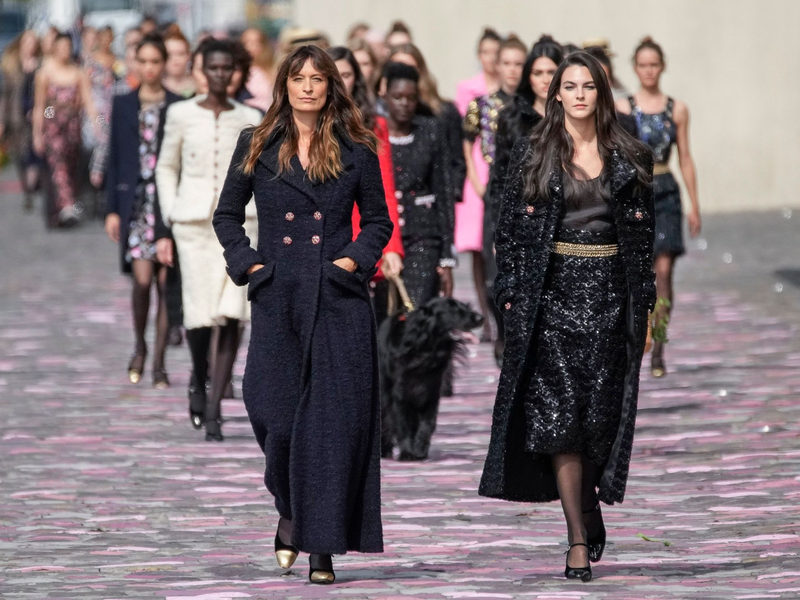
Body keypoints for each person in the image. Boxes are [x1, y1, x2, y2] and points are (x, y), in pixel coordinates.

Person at [213, 44, 391, 584]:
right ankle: (291, 508)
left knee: (329, 431)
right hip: (278, 297)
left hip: (337, 301)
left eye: (318, 78)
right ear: (284, 85)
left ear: (331, 85)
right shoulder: (257, 141)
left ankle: (321, 548)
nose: (308, 86)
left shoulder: (356, 146)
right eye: (298, 77)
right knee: (271, 413)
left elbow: (378, 222)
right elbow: (226, 216)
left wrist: (351, 262)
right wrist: (251, 266)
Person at [479, 51, 656, 582]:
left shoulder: (631, 154)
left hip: (608, 298)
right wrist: (509, 295)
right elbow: (506, 230)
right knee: (559, 419)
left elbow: (643, 244)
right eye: (570, 86)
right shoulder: (533, 152)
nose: (579, 94)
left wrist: (644, 307)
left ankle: (590, 503)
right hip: (549, 299)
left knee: (599, 419)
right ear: (556, 93)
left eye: (589, 86)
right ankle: (576, 537)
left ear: (601, 93)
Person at [155, 39, 262, 441]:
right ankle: (198, 378)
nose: (220, 75)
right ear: (201, 70)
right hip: (193, 225)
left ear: (237, 71)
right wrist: (170, 216)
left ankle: (215, 406)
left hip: (241, 224)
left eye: (227, 68)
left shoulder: (251, 116)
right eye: (212, 68)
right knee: (200, 316)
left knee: (233, 312)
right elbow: (166, 167)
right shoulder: (180, 113)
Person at [616, 37, 701, 378]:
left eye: (654, 64)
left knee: (663, 271)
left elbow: (685, 156)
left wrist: (695, 204)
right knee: (639, 275)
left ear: (662, 66)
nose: (649, 70)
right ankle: (640, 338)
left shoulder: (676, 109)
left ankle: (659, 345)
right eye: (643, 64)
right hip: (637, 191)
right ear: (635, 68)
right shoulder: (624, 109)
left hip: (665, 190)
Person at [104, 34, 181, 388]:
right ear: (135, 63)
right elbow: (115, 157)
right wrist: (112, 209)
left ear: (164, 64)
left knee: (166, 285)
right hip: (135, 205)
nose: (149, 68)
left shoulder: (179, 105)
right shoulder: (122, 104)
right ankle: (139, 344)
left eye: (156, 61)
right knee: (142, 281)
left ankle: (161, 361)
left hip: (167, 204)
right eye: (144, 61)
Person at [328, 45, 404, 324]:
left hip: (364, 233)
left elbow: (385, 189)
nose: (339, 81)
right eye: (332, 74)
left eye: (346, 74)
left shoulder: (373, 125)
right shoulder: (303, 125)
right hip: (324, 235)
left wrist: (392, 247)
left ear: (356, 79)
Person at [462, 35, 527, 359]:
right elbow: (466, 139)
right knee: (492, 269)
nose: (513, 70)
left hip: (527, 194)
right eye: (507, 63)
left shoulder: (531, 108)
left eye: (519, 64)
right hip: (494, 192)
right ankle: (500, 330)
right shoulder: (483, 105)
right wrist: (475, 179)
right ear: (496, 65)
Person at [384, 62, 455, 307]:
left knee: (415, 314)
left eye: (411, 98)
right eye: (397, 97)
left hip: (424, 239)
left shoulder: (430, 131)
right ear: (384, 94)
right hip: (383, 237)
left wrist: (446, 259)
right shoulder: (371, 133)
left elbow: (443, 192)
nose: (404, 103)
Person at [489, 35, 564, 230]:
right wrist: (501, 231)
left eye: (551, 72)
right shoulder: (511, 117)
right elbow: (500, 180)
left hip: (568, 219)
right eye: (538, 73)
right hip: (523, 221)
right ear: (528, 77)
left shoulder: (573, 116)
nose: (545, 80)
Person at [387, 44, 465, 211]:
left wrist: (449, 194)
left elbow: (457, 161)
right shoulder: (379, 116)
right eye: (396, 67)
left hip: (430, 208)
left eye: (409, 67)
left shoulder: (443, 112)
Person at [32, 32, 97, 227]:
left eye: (68, 47)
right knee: (58, 163)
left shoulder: (78, 72)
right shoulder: (45, 73)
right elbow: (40, 106)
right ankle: (67, 206)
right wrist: (38, 133)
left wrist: (97, 122)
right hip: (52, 121)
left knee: (71, 165)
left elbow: (87, 101)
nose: (65, 51)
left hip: (72, 124)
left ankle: (70, 205)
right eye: (61, 47)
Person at [0, 30, 42, 212]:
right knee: (20, 157)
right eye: (27, 41)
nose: (30, 45)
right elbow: (5, 97)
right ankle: (27, 189)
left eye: (33, 42)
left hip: (38, 119)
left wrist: (45, 115)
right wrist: (2, 121)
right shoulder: (10, 66)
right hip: (16, 118)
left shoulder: (43, 65)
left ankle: (31, 189)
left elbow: (50, 102)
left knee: (34, 155)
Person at [455, 27, 501, 115]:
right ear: (479, 55)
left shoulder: (510, 87)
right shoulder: (465, 88)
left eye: (496, 52)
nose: (491, 58)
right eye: (486, 52)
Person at [240, 27, 276, 112]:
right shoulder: (237, 72)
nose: (251, 46)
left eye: (256, 42)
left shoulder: (271, 70)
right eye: (247, 42)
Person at [163, 27, 196, 98]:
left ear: (188, 55)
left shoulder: (198, 86)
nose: (175, 59)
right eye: (170, 55)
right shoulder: (157, 88)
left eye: (180, 54)